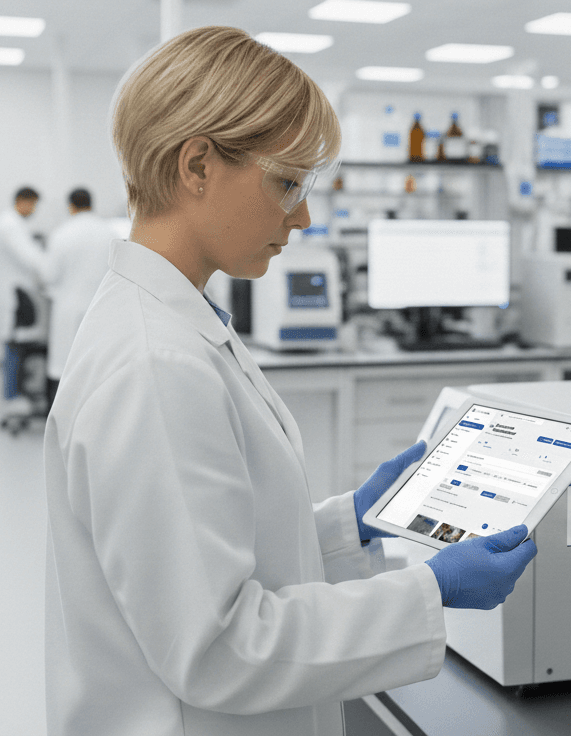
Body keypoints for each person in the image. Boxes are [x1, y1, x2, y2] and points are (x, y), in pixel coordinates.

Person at [44, 26, 537, 736]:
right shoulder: (156, 365)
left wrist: (346, 527)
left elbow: (198, 557)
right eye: (285, 183)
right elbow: (218, 648)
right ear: (197, 165)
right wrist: (430, 588)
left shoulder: (172, 324)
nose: (302, 216)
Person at [41, 188, 116, 408]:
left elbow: (49, 275)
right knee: (99, 367)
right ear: (91, 204)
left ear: (70, 206)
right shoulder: (109, 232)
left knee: (65, 368)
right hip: (102, 308)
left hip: (68, 309)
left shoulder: (62, 233)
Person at [0, 187, 45, 357]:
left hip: (16, 290)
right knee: (12, 343)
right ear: (21, 201)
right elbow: (31, 257)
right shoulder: (10, 224)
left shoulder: (14, 223)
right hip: (12, 291)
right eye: (33, 204)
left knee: (14, 341)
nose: (34, 209)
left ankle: (11, 383)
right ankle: (11, 384)